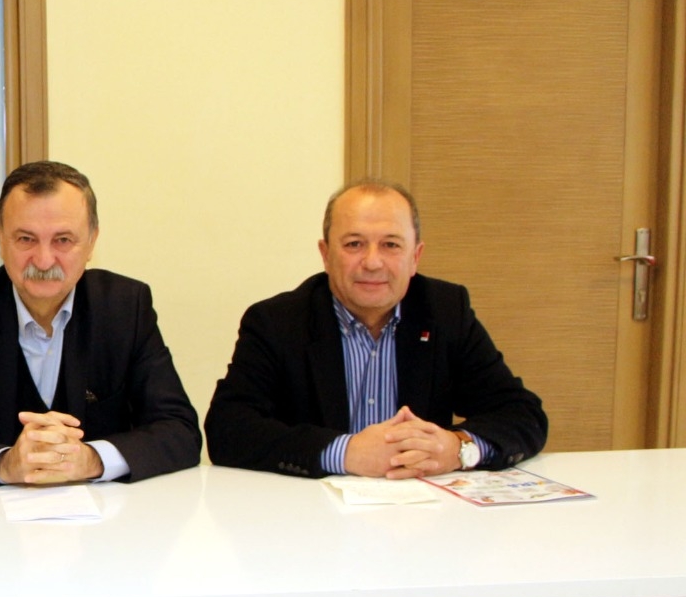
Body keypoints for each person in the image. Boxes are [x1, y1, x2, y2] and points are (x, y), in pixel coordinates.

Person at [0, 161, 201, 486]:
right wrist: (3, 464)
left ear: (92, 241)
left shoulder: (126, 309)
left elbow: (180, 430)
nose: (44, 261)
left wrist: (92, 459)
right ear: (1, 239)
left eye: (63, 240)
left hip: (105, 516)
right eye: (26, 239)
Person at [204, 178, 549, 479]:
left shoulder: (445, 312)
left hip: (422, 514)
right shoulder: (276, 322)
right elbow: (228, 429)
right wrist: (345, 452)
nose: (372, 262)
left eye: (391, 245)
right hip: (312, 516)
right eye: (354, 244)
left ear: (415, 257)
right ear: (325, 255)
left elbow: (522, 414)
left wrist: (458, 448)